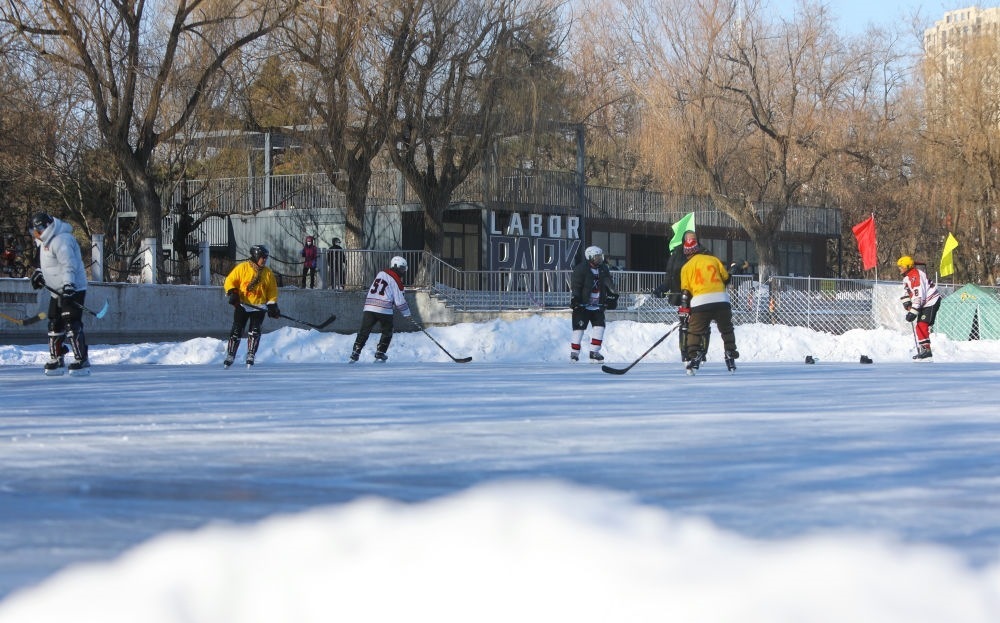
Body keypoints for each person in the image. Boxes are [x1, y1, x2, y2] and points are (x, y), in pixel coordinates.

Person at [28, 212, 90, 375]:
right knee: (54, 322)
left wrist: (69, 285)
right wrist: (40, 274)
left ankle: (81, 359)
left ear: (47, 227)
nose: (36, 234)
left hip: (73, 288)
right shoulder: (44, 242)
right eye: (34, 231)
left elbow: (68, 264)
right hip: (56, 290)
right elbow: (47, 264)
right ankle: (56, 358)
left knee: (71, 322)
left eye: (38, 230)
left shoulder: (62, 240)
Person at [679, 233, 739, 373]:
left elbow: (685, 293)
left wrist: (685, 311)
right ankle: (730, 353)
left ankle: (694, 355)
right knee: (726, 329)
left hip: (701, 303)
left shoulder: (686, 267)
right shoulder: (713, 260)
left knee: (695, 331)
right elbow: (725, 278)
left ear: (686, 253)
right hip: (722, 301)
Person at [222, 245, 280, 368]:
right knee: (237, 330)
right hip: (243, 304)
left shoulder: (268, 273)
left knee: (255, 331)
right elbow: (230, 280)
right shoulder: (243, 268)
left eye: (266, 257)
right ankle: (231, 354)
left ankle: (251, 354)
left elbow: (272, 291)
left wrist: (272, 305)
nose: (264, 260)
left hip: (259, 306)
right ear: (256, 256)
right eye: (262, 257)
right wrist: (233, 292)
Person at [350, 256, 411, 363]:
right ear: (395, 266)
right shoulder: (396, 281)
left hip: (369, 307)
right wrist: (407, 314)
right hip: (384, 309)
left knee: (364, 331)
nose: (403, 271)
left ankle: (356, 351)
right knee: (387, 331)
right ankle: (380, 352)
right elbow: (400, 301)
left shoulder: (381, 274)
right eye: (402, 269)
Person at [653, 230, 703, 361]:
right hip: (683, 295)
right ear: (684, 240)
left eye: (694, 239)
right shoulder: (677, 254)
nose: (691, 241)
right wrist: (663, 288)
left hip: (700, 295)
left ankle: (699, 350)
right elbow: (670, 276)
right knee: (684, 325)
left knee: (699, 324)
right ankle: (685, 352)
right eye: (689, 239)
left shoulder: (704, 252)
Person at [569, 245, 619, 362]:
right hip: (583, 305)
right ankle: (574, 353)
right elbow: (576, 286)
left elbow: (609, 284)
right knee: (579, 329)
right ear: (590, 257)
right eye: (597, 257)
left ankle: (594, 352)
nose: (599, 259)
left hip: (598, 305)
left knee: (599, 328)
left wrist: (612, 297)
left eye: (600, 256)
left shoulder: (603, 269)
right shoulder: (581, 269)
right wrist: (575, 298)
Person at [897, 255, 941, 360]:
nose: (900, 269)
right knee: (919, 326)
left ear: (908, 266)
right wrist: (907, 302)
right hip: (924, 303)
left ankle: (927, 351)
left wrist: (913, 312)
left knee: (921, 325)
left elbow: (919, 296)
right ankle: (924, 350)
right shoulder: (907, 277)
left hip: (931, 301)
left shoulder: (915, 276)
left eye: (901, 266)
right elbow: (908, 291)